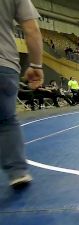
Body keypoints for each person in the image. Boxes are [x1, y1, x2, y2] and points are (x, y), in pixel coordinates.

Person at [0, 0, 43, 188]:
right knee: (7, 120)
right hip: (4, 64)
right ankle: (17, 172)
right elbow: (31, 29)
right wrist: (35, 65)